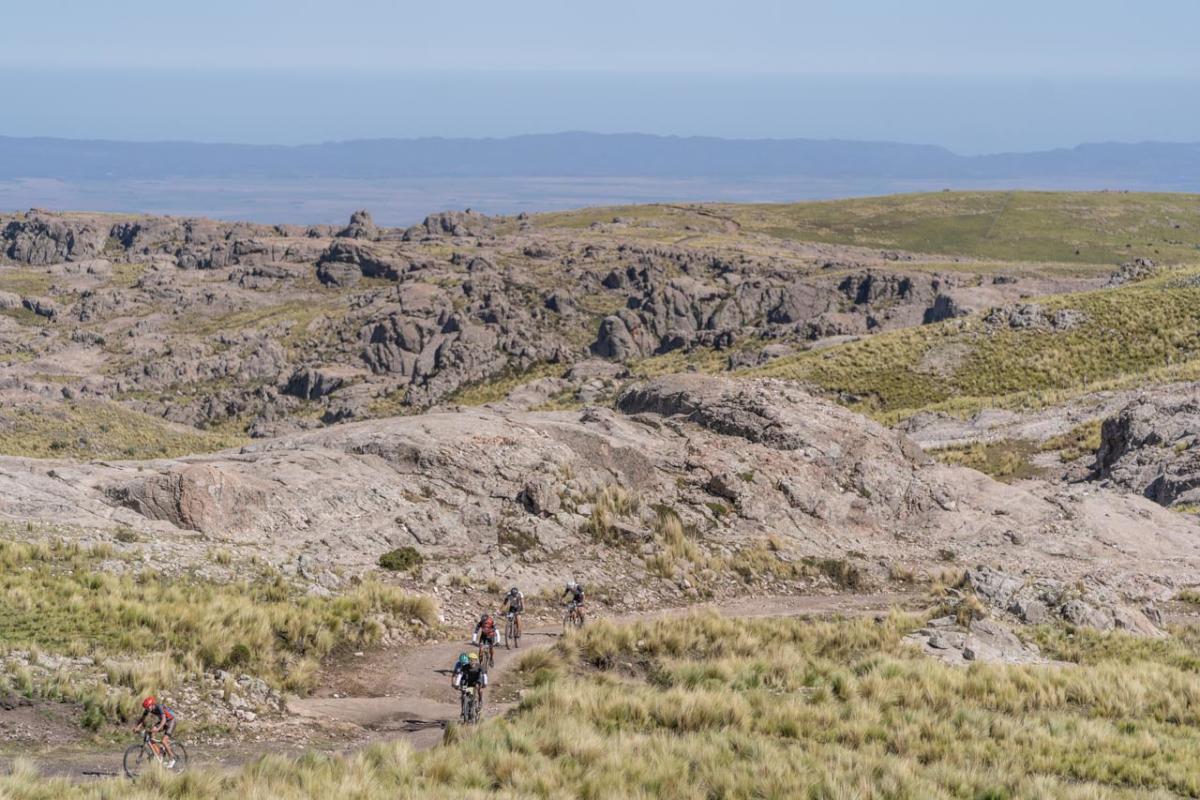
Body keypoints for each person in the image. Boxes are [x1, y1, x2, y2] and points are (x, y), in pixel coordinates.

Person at [133, 696, 178, 767]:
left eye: (148, 707)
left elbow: (164, 720)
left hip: (171, 720)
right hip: (163, 721)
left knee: (164, 741)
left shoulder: (159, 707)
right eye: (146, 708)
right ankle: (159, 754)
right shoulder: (148, 709)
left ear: (152, 705)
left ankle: (172, 759)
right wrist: (137, 727)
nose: (147, 709)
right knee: (150, 734)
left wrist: (157, 728)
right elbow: (142, 719)